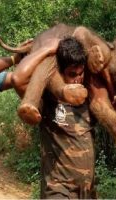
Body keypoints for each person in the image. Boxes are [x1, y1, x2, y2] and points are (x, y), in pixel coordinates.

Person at [39, 37, 96, 199]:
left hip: (86, 192)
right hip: (58, 190)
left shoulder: (89, 97)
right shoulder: (49, 97)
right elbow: (20, 79)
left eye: (81, 73)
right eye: (72, 74)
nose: (77, 79)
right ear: (60, 72)